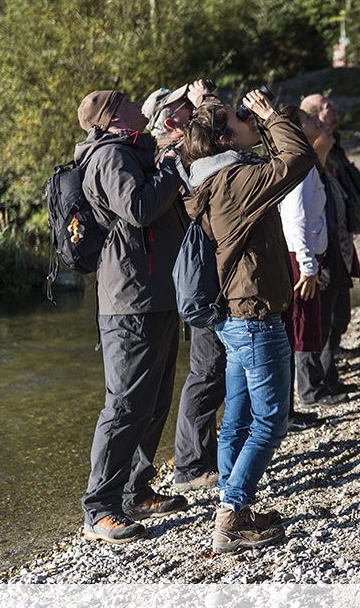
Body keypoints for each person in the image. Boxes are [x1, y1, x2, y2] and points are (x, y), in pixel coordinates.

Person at [181, 82, 317, 552]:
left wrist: (225, 113)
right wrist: (272, 113)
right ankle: (232, 514)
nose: (249, 121)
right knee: (271, 422)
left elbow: (279, 161)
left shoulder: (212, 179)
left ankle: (232, 501)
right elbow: (298, 159)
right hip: (254, 317)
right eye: (242, 120)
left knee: (237, 419)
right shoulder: (235, 183)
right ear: (225, 139)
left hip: (234, 317)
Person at [75, 90, 189, 544]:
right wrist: (169, 170)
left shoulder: (133, 151)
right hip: (130, 299)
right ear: (111, 118)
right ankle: (98, 509)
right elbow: (137, 208)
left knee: (155, 400)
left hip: (156, 293)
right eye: (123, 101)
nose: (133, 102)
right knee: (124, 406)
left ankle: (136, 490)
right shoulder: (109, 156)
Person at [141, 84, 225, 492]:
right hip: (194, 279)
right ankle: (190, 466)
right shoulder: (167, 157)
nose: (189, 110)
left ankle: (200, 456)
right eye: (181, 106)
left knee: (213, 367)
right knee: (206, 368)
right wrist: (205, 104)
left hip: (198, 273)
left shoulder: (179, 151)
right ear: (169, 119)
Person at [280, 105, 359, 408]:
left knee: (322, 323)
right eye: (310, 120)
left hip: (323, 257)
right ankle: (307, 393)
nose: (320, 122)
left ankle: (313, 388)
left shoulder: (318, 168)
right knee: (303, 328)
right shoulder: (300, 169)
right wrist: (308, 265)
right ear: (299, 132)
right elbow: (297, 221)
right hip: (308, 261)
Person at [299, 93, 360, 361]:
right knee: (322, 320)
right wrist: (308, 264)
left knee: (338, 315)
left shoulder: (331, 157)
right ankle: (318, 378)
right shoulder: (308, 172)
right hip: (322, 258)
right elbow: (300, 222)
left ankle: (329, 363)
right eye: (326, 109)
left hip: (338, 249)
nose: (334, 111)